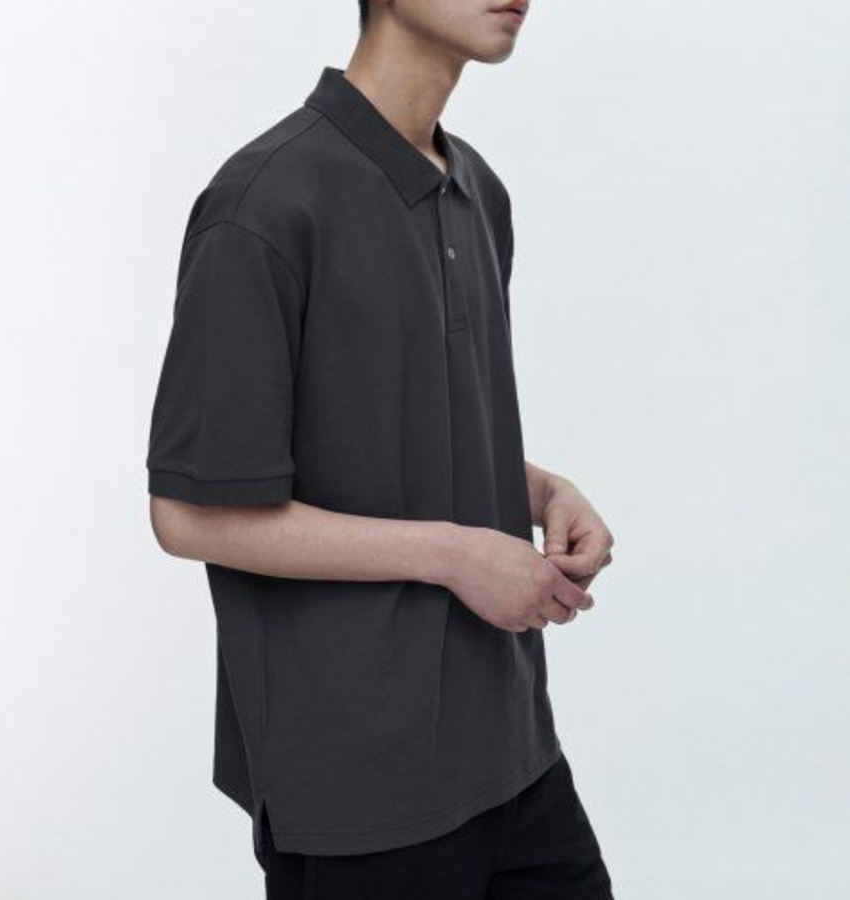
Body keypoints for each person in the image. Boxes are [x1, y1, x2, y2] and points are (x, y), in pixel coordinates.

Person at [146, 1, 616, 897]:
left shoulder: (478, 191)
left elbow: (399, 428)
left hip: (515, 752)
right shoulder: (264, 203)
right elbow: (189, 512)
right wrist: (454, 555)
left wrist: (544, 491)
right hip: (360, 789)